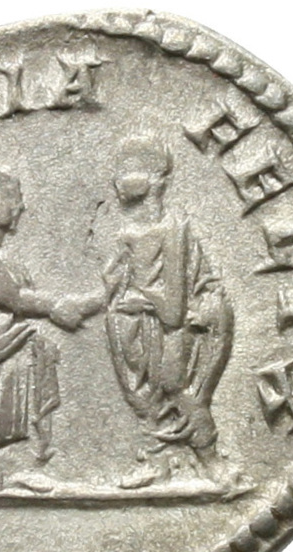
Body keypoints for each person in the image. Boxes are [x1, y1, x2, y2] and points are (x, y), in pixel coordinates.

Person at [0, 166, 103, 495]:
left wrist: (93, 299)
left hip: (13, 342)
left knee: (19, 407)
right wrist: (56, 307)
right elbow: (13, 298)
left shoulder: (5, 258)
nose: (21, 206)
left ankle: (14, 468)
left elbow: (21, 299)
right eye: (12, 197)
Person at [103, 137, 234, 485]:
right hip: (136, 329)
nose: (118, 180)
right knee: (146, 399)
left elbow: (174, 310)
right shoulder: (127, 234)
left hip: (171, 330)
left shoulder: (174, 230)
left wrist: (142, 301)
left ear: (155, 179)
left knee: (175, 388)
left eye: (128, 171)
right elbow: (115, 290)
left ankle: (211, 461)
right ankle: (157, 461)